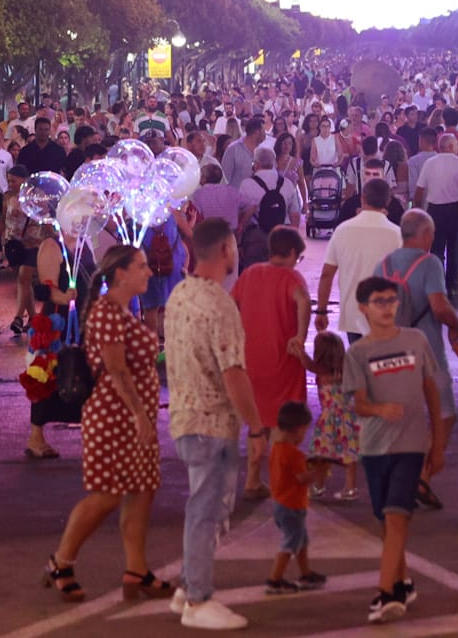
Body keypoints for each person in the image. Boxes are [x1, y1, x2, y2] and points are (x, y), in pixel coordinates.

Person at [44, 244, 174, 605]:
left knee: (141, 491)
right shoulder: (106, 313)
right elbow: (116, 369)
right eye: (142, 267)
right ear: (120, 274)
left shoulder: (123, 311)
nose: (149, 272)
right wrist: (136, 413)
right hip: (114, 417)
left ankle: (137, 569)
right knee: (107, 495)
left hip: (135, 418)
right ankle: (61, 562)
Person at [164, 217, 268, 630]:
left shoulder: (180, 294)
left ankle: (188, 585)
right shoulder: (220, 304)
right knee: (207, 511)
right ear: (226, 249)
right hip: (212, 423)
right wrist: (257, 427)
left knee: (208, 508)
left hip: (185, 418)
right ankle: (198, 599)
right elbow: (234, 373)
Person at [343, 274, 443, 624]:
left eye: (391, 300)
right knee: (385, 520)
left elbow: (431, 388)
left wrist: (437, 439)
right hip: (374, 448)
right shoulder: (358, 352)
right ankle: (403, 580)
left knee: (398, 515)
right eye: (379, 302)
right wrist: (379, 409)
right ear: (363, 308)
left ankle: (386, 593)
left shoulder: (416, 340)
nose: (387, 308)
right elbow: (358, 403)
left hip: (412, 444)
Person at [378, 209, 458, 508]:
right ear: (426, 234)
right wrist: (457, 325)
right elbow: (439, 307)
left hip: (390, 349)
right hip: (426, 351)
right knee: (444, 413)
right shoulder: (429, 263)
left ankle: (396, 479)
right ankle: (423, 476)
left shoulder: (384, 264)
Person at [232, 226, 313, 496]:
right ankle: (282, 482)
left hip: (251, 360)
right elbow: (303, 301)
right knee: (283, 424)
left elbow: (231, 305)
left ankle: (252, 479)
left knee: (258, 423)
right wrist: (300, 337)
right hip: (283, 361)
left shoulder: (250, 273)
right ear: (291, 253)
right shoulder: (293, 278)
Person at [315, 178, 402, 344]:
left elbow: (327, 274)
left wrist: (321, 311)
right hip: (385, 314)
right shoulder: (397, 234)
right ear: (388, 201)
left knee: (358, 362)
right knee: (381, 365)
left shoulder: (342, 231)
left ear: (362, 198)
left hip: (352, 313)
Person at [263, 402, 329, 595]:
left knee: (301, 539)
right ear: (299, 429)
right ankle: (275, 579)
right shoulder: (294, 453)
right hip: (292, 503)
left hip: (281, 502)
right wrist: (319, 471)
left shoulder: (276, 448)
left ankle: (305, 572)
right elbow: (302, 478)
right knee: (291, 541)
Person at [410, 132, 458, 286]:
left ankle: (437, 284)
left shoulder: (430, 163)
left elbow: (419, 191)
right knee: (454, 248)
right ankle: (451, 285)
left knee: (437, 248)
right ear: (452, 146)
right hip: (456, 209)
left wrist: (416, 211)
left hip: (435, 210)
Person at [307, 332, 360, 502]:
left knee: (322, 455)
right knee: (349, 455)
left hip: (329, 419)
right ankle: (350, 487)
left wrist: (299, 350)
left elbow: (308, 364)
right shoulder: (344, 371)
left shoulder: (322, 372)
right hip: (348, 417)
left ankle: (318, 485)